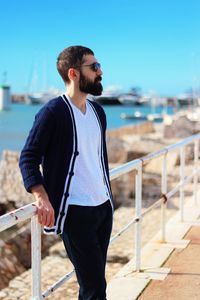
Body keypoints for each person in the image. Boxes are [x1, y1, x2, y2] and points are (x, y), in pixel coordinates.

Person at [19, 45, 114, 300]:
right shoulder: (53, 112)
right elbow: (28, 156)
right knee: (95, 287)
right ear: (73, 73)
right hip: (75, 212)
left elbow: (96, 159)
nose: (100, 71)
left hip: (103, 207)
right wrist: (41, 196)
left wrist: (108, 200)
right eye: (93, 67)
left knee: (93, 284)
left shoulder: (98, 112)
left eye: (99, 65)